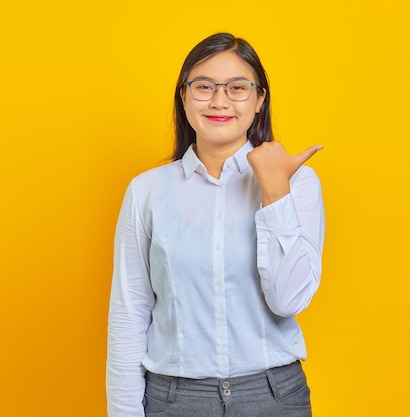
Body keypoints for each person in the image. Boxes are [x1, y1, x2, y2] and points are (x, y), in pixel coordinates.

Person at [106, 32, 325, 417]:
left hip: (273, 397)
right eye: (204, 86)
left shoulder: (299, 184)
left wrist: (275, 191)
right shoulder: (147, 191)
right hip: (174, 400)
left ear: (259, 100)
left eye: (238, 87)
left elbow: (288, 300)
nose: (220, 100)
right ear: (184, 97)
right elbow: (129, 312)